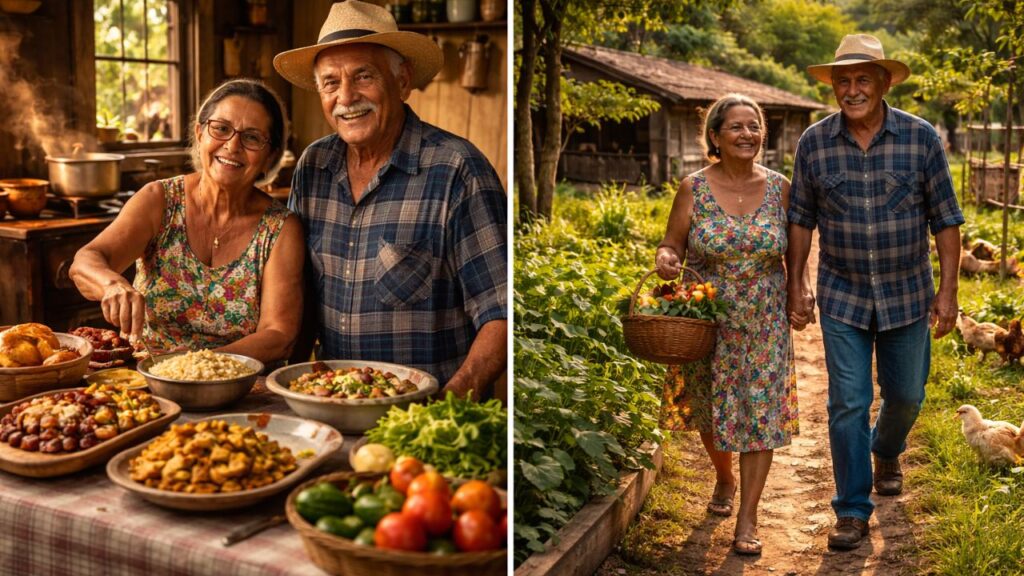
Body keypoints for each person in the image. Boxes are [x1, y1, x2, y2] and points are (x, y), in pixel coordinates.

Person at [271, 1, 507, 400]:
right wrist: (285, 385)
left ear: (402, 81)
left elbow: (500, 311)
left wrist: (450, 405)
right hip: (330, 401)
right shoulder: (314, 166)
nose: (346, 97)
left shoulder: (456, 169)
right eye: (330, 83)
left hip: (426, 412)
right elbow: (300, 296)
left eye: (363, 76)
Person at [786, 34, 964, 550]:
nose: (853, 89)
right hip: (842, 292)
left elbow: (946, 219)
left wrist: (948, 291)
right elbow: (800, 220)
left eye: (864, 79)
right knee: (848, 402)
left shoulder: (920, 137)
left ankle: (887, 449)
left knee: (906, 395)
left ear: (885, 82)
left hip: (907, 292)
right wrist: (797, 282)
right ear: (833, 87)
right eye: (843, 80)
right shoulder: (814, 143)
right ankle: (851, 510)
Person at [71, 79, 304, 365]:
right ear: (199, 133)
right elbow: (86, 260)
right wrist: (112, 285)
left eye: (252, 137)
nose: (232, 145)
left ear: (269, 157)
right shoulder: (160, 200)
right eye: (220, 128)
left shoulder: (280, 229)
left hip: (242, 387)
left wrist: (192, 366)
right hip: (146, 383)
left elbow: (279, 335)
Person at [655, 93, 800, 556]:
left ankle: (748, 517)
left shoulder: (781, 187)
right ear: (715, 137)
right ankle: (723, 476)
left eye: (754, 126)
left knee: (761, 413)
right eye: (736, 127)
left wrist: (801, 289)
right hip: (709, 315)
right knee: (711, 409)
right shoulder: (692, 188)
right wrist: (666, 257)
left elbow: (794, 252)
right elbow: (672, 246)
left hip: (764, 316)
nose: (747, 134)